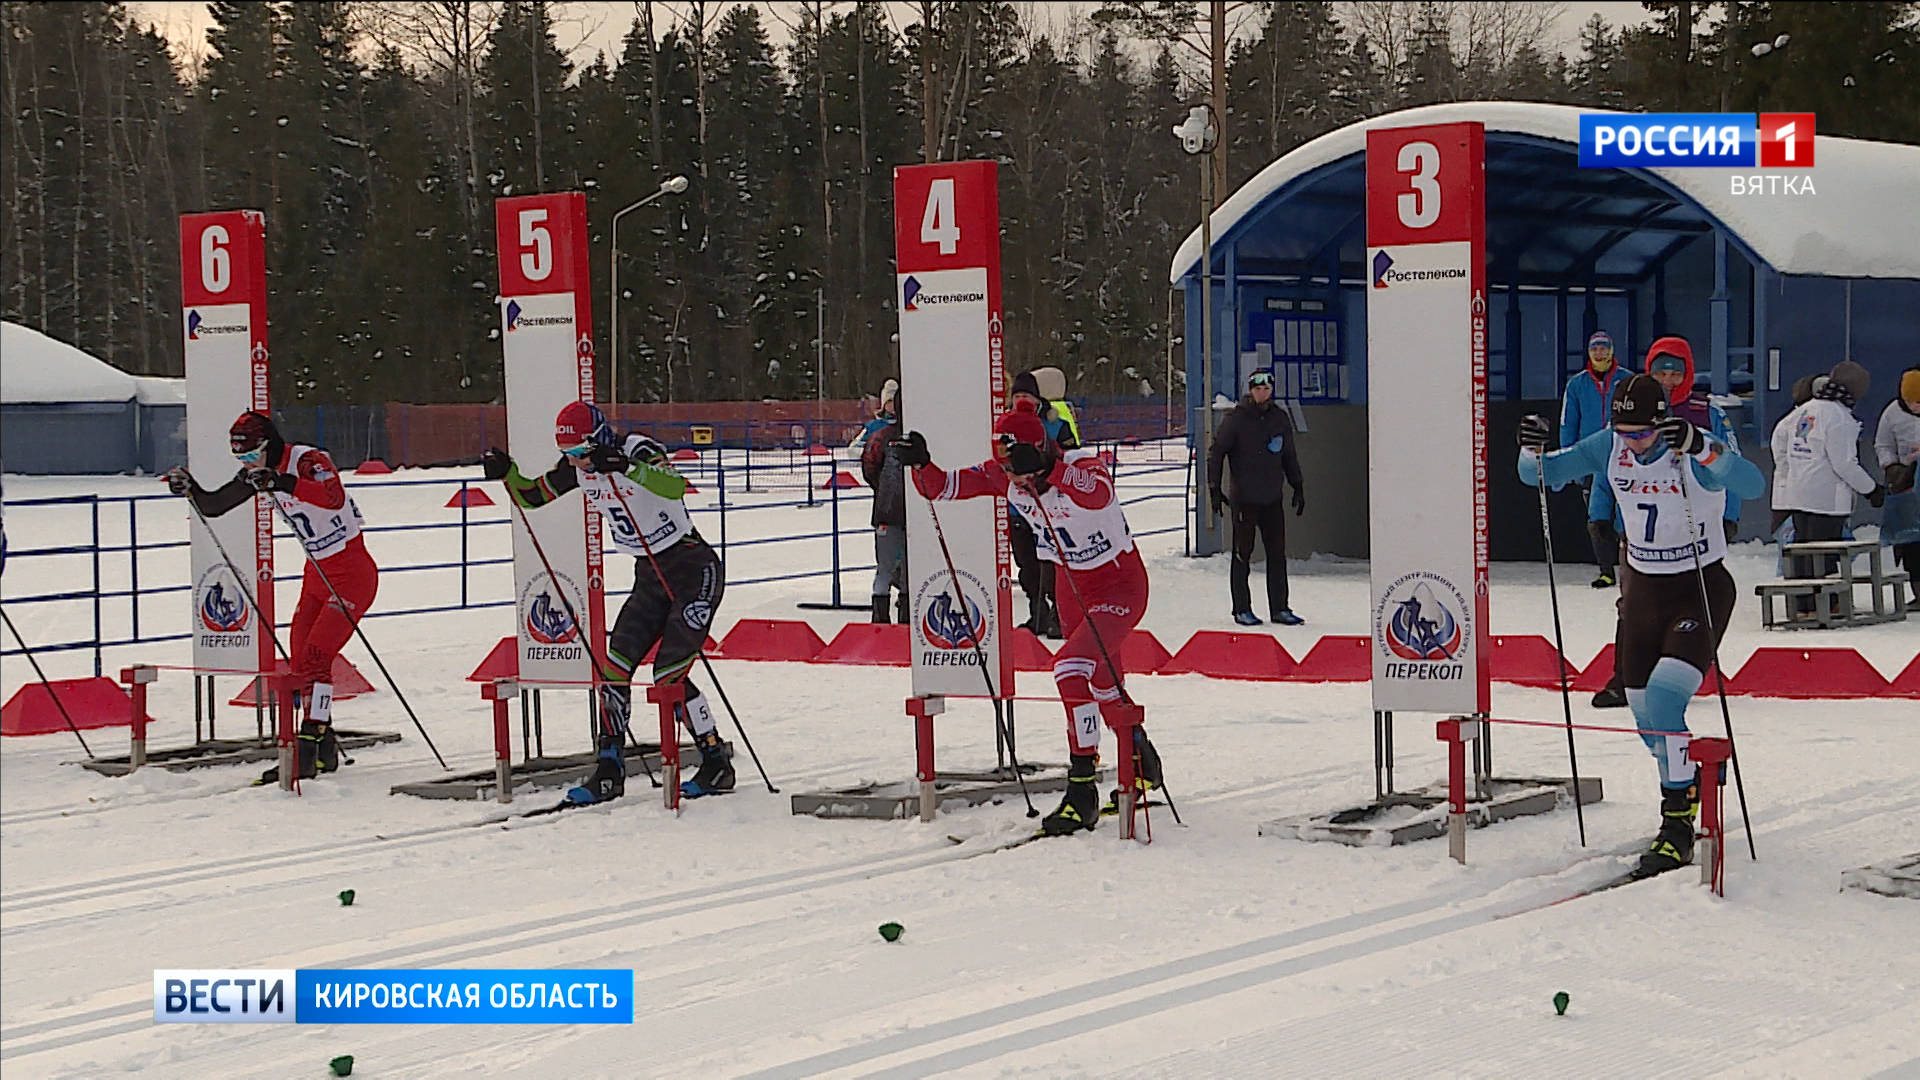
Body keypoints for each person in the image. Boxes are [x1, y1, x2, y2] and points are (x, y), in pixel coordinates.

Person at [1518, 375, 1764, 877]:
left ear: (1662, 423)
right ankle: (1691, 774)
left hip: (1699, 587)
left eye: (1642, 434)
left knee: (1668, 701)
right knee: (1648, 718)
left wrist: (1704, 448)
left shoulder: (1688, 449)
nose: (1632, 443)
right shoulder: (1611, 444)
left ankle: (1676, 826)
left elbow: (1752, 484)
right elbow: (1543, 475)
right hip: (1644, 593)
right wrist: (1530, 448)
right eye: (1624, 432)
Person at [894, 400, 1163, 836]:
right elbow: (942, 488)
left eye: (1018, 466)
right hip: (1072, 588)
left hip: (1120, 585)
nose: (1012, 478)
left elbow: (1098, 494)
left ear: (1038, 453)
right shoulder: (1006, 474)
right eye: (1007, 468)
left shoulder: (1082, 465)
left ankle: (1082, 789)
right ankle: (1142, 760)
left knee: (1070, 670)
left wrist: (1048, 467)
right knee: (1102, 681)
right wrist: (921, 463)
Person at [482, 402, 732, 803]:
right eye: (569, 455)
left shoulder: (638, 450)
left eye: (581, 452)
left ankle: (715, 760)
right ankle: (608, 768)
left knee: (668, 675)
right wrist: (505, 471)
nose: (577, 462)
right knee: (613, 668)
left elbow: (674, 486)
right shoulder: (580, 468)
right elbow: (531, 496)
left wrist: (625, 466)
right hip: (649, 576)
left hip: (692, 569)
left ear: (598, 438)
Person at [166, 411, 376, 783]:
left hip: (352, 575)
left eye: (251, 455)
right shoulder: (258, 472)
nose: (247, 464)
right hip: (317, 574)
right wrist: (190, 489)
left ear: (270, 445)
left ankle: (306, 748)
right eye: (241, 459)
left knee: (315, 656)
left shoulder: (308, 461)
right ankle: (324, 748)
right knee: (299, 661)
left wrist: (282, 482)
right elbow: (216, 505)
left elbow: (331, 497)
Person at [1771, 360, 1886, 616]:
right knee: (1827, 552)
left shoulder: (1805, 409)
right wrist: (1871, 489)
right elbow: (1844, 464)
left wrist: (1786, 473)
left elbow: (1779, 436)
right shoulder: (1839, 418)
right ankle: (1828, 604)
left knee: (1802, 549)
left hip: (1797, 494)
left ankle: (1802, 604)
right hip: (1826, 498)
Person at [1207, 368, 1307, 626]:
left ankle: (1280, 607)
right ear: (1250, 390)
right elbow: (1216, 453)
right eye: (1258, 388)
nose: (1262, 393)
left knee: (1277, 553)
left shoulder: (1279, 418)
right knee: (1243, 553)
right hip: (1245, 499)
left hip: (1272, 497)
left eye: (1267, 388)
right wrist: (1214, 489)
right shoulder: (1236, 419)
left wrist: (1297, 485)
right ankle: (1241, 607)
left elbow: (1288, 455)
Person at [1644, 336, 1744, 543]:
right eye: (1660, 374)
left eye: (1676, 374)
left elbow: (1733, 465)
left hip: (1700, 520)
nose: (1667, 382)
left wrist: (1729, 516)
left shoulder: (1708, 412)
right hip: (1645, 523)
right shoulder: (1636, 410)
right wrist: (1601, 515)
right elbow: (1613, 461)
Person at [1006, 370, 1080, 637]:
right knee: (1026, 564)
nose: (1021, 401)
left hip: (1049, 505)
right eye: (1017, 396)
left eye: (1026, 395)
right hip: (1018, 506)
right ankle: (1037, 613)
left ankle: (1059, 615)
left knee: (1052, 564)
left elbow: (1071, 458)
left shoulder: (1056, 424)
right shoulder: (1005, 424)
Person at [1561, 330, 1628, 587]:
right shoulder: (1577, 385)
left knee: (1626, 514)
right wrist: (1570, 461)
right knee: (1596, 516)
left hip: (1623, 455)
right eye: (1595, 349)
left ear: (1612, 350)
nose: (1600, 353)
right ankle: (1606, 570)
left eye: (1604, 348)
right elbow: (1568, 424)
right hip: (1590, 458)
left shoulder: (1627, 380)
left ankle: (1629, 568)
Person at [861, 389, 909, 623]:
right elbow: (869, 468)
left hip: (889, 510)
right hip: (899, 511)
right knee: (898, 568)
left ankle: (883, 619)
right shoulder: (884, 437)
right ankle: (898, 617)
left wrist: (882, 491)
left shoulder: (882, 436)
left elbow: (869, 467)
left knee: (887, 567)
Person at [1873, 367, 1920, 605]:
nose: (1916, 407)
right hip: (1906, 484)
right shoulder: (1892, 412)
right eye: (1911, 402)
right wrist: (1890, 466)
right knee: (1910, 542)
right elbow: (1882, 444)